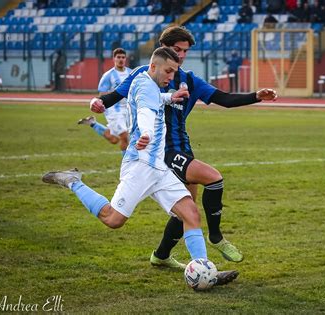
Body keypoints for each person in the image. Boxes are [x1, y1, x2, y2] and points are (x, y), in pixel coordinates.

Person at [42, 47, 236, 286]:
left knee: (191, 213)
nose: (171, 77)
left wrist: (169, 97)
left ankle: (206, 272)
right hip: (140, 165)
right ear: (153, 66)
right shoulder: (145, 86)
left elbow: (152, 100)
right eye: (168, 71)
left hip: (159, 167)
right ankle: (73, 181)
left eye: (174, 72)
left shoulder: (148, 83)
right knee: (113, 219)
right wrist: (145, 132)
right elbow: (145, 110)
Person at [89, 26, 277, 270]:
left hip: (183, 148)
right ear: (163, 49)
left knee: (186, 210)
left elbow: (225, 99)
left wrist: (256, 96)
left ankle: (161, 255)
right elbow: (113, 96)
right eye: (177, 49)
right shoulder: (143, 75)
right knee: (213, 178)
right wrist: (98, 103)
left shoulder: (189, 80)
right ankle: (216, 237)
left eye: (185, 51)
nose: (182, 54)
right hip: (162, 151)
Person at [77, 48, 132, 156]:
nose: (121, 59)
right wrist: (115, 93)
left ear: (126, 59)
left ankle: (92, 123)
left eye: (123, 57)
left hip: (129, 110)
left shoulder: (131, 73)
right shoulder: (108, 76)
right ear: (114, 59)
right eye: (118, 57)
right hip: (114, 110)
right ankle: (128, 166)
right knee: (125, 136)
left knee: (114, 140)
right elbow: (101, 97)